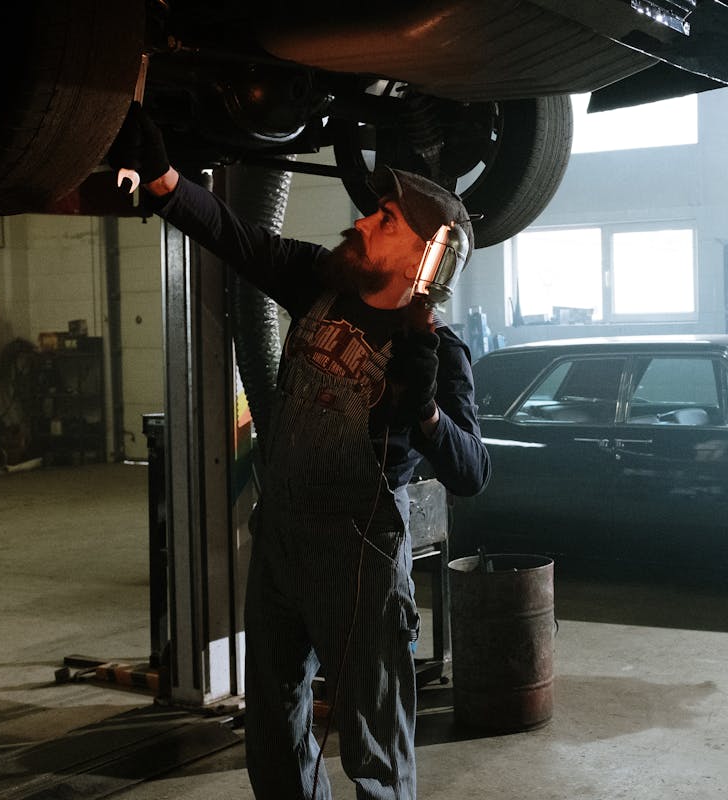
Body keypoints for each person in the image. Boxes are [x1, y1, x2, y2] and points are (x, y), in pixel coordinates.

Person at [108, 103, 490, 800]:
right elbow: (241, 238)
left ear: (421, 258)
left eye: (385, 221)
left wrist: (426, 412)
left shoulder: (437, 351)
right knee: (276, 726)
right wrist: (165, 182)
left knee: (374, 741)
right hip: (281, 534)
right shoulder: (323, 283)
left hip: (359, 557)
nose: (362, 221)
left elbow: (473, 473)